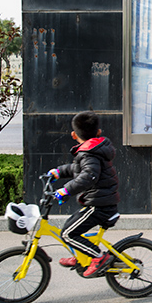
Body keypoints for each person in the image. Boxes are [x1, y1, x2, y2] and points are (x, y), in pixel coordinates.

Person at [47, 111, 120, 277]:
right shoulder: (94, 150)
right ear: (98, 132)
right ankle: (81, 255)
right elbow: (79, 169)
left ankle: (98, 257)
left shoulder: (89, 153)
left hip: (100, 206)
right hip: (100, 202)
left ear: (74, 135)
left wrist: (66, 190)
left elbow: (88, 176)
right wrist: (58, 172)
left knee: (68, 233)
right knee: (70, 226)